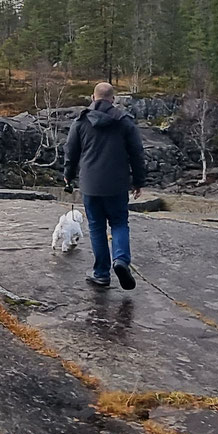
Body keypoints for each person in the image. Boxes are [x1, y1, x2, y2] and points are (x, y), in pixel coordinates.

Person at [63, 82, 146, 290]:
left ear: (93, 98)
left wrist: (68, 177)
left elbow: (70, 152)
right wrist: (138, 181)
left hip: (90, 185)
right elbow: (137, 153)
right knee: (119, 223)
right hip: (117, 185)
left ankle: (101, 274)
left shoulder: (81, 122)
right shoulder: (125, 122)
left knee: (97, 227)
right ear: (113, 99)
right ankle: (121, 261)